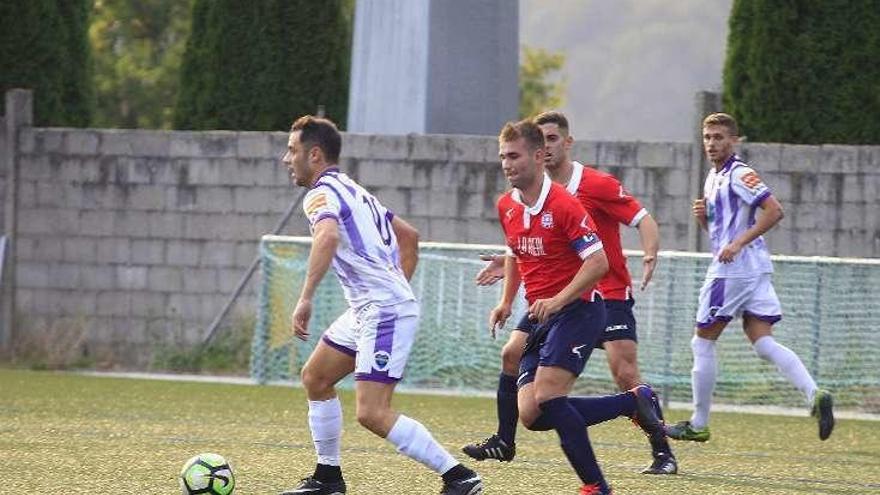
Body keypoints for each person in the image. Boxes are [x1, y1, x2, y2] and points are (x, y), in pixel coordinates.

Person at [463, 111, 677, 475]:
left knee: (623, 371)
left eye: (551, 139)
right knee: (521, 373)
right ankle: (506, 438)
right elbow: (526, 246)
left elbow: (641, 219)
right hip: (550, 301)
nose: (545, 146)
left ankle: (661, 451)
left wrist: (651, 252)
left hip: (604, 292)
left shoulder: (591, 186)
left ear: (566, 142)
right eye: (540, 139)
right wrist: (507, 286)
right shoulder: (518, 199)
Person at [279, 115, 483, 495]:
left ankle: (458, 476)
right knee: (316, 378)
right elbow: (409, 236)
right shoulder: (354, 190)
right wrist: (391, 288)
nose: (285, 158)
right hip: (369, 308)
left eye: (292, 150)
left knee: (372, 412)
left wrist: (305, 297)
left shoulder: (319, 193)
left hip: (381, 308)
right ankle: (328, 478)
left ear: (315, 154)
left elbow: (326, 235)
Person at [666, 112, 834, 442]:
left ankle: (699, 423)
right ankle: (815, 394)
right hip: (753, 269)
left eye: (719, 137)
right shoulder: (713, 177)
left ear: (734, 141)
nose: (712, 143)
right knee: (763, 342)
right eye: (707, 137)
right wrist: (705, 221)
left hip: (735, 271)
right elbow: (722, 232)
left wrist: (739, 242)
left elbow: (775, 210)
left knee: (701, 342)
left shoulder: (739, 173)